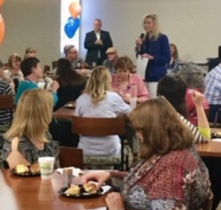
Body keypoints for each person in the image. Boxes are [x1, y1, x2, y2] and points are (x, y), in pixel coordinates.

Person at [82, 97, 211, 210]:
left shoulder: (172, 169)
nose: (137, 136)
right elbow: (144, 184)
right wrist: (110, 175)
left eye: (139, 130)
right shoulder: (168, 149)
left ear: (153, 131)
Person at [74, 66, 130, 156]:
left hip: (85, 149)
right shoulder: (114, 97)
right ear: (108, 80)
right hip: (110, 149)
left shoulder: (81, 99)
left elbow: (76, 120)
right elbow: (129, 111)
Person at [1, 89, 59, 168]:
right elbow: (22, 179)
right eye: (51, 108)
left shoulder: (45, 133)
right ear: (43, 113)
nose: (52, 111)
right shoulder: (18, 144)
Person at [157, 75, 210, 143]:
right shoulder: (176, 119)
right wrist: (199, 106)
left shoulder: (150, 115)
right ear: (183, 96)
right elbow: (205, 138)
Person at [135, 14, 170, 98]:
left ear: (154, 24)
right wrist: (138, 46)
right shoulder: (144, 39)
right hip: (144, 75)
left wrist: (153, 57)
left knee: (155, 100)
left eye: (149, 23)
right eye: (145, 23)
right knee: (145, 100)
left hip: (156, 75)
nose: (146, 25)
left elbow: (167, 58)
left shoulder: (162, 38)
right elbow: (139, 56)